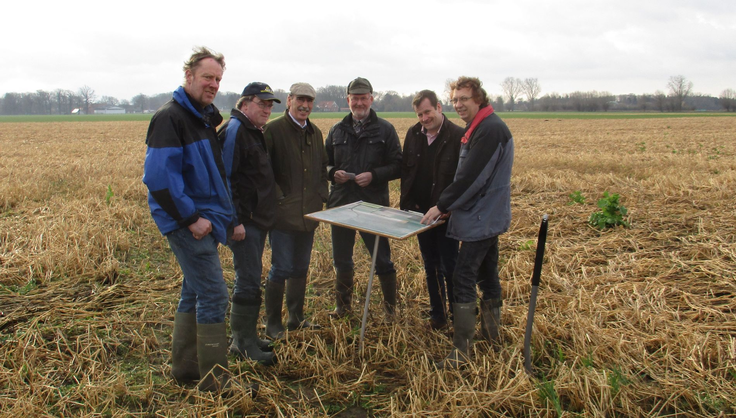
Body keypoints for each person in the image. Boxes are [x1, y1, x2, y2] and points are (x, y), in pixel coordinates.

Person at [142, 47, 234, 391]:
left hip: (203, 219)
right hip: (187, 223)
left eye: (218, 79)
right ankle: (214, 380)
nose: (213, 84)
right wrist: (192, 218)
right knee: (214, 294)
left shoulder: (202, 116)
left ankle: (186, 368)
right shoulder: (171, 117)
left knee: (194, 291)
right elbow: (159, 179)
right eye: (207, 77)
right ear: (189, 76)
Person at [421, 76, 514, 369]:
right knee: (487, 275)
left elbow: (471, 177)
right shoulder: (482, 127)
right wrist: (452, 206)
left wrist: (443, 205)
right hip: (485, 215)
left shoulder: (489, 130)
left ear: (479, 99)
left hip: (481, 217)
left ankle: (461, 352)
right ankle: (491, 335)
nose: (458, 104)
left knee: (462, 277)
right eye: (455, 99)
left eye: (464, 99)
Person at [324, 77, 402, 320]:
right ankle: (343, 308)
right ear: (348, 100)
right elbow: (324, 163)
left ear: (371, 98)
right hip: (341, 204)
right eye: (354, 98)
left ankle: (390, 311)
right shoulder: (337, 130)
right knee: (342, 260)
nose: (359, 102)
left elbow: (399, 165)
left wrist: (374, 176)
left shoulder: (385, 130)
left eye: (363, 97)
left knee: (382, 260)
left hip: (373, 206)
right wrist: (331, 173)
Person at [218, 82, 281, 364]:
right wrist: (235, 221)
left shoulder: (252, 131)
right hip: (245, 223)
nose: (267, 109)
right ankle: (241, 343)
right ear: (244, 104)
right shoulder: (235, 131)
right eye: (262, 103)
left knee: (252, 278)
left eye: (270, 105)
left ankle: (248, 337)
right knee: (247, 279)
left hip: (257, 220)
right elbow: (226, 180)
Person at [263, 82, 328, 339]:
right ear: (289, 100)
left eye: (310, 101)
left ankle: (296, 318)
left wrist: (322, 194)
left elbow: (323, 168)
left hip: (308, 215)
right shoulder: (273, 131)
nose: (305, 105)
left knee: (301, 268)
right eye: (300, 99)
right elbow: (264, 171)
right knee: (281, 268)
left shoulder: (315, 133)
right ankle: (272, 324)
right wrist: (280, 199)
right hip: (282, 217)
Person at [400, 89, 464, 330]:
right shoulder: (413, 134)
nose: (424, 118)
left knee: (451, 266)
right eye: (419, 114)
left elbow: (461, 178)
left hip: (447, 215)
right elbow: (408, 170)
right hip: (422, 215)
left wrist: (448, 207)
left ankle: (459, 319)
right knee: (430, 265)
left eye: (427, 112)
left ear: (438, 107)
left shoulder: (458, 135)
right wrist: (409, 204)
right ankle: (438, 316)